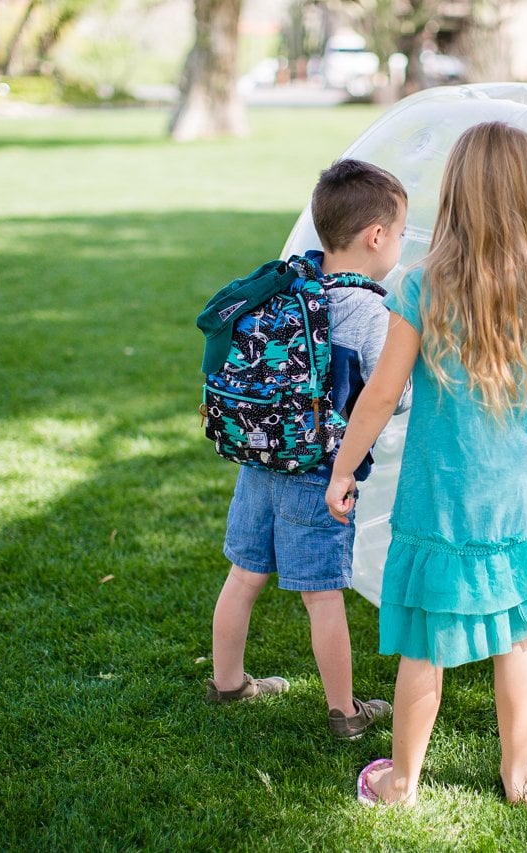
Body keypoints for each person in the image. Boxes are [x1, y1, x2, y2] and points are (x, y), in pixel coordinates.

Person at [325, 122, 527, 805]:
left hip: (445, 493)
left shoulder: (420, 285)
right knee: (517, 638)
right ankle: (516, 775)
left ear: (455, 195)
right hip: (520, 494)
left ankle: (401, 780)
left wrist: (343, 467)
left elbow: (382, 392)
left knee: (426, 642)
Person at [207, 158, 408, 741]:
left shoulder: (288, 283)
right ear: (377, 237)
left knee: (243, 577)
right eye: (398, 233)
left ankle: (227, 683)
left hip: (260, 457)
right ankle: (346, 713)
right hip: (319, 472)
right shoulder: (370, 310)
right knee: (322, 598)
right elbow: (389, 397)